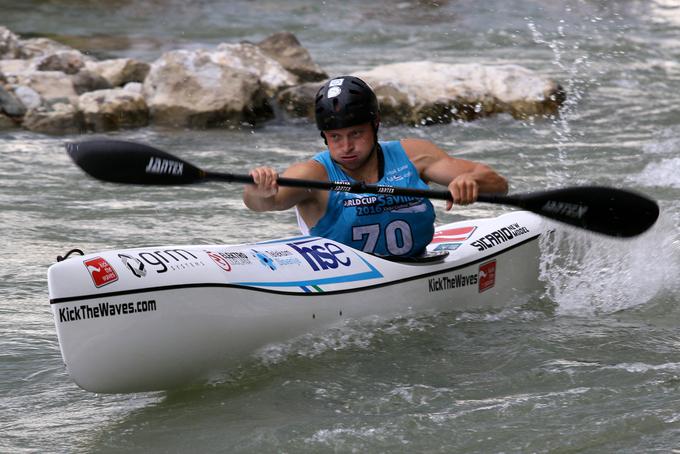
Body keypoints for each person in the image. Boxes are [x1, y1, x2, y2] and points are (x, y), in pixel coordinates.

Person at [243, 76, 508, 258]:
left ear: (376, 124)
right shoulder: (312, 174)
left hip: (419, 268)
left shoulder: (414, 155)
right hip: (342, 283)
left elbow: (498, 184)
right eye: (335, 137)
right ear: (324, 135)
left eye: (356, 134)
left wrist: (470, 182)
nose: (346, 146)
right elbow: (266, 204)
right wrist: (259, 191)